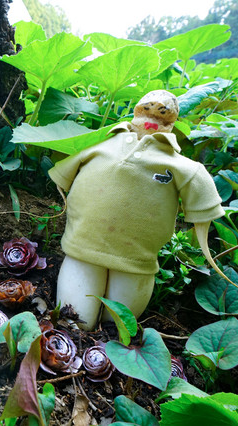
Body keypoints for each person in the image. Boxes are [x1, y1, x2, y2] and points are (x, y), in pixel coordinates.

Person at [49, 90, 224, 330]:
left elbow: (200, 188)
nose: (152, 118)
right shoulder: (102, 144)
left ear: (172, 122)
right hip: (83, 248)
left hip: (136, 260)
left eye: (162, 114)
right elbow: (64, 175)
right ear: (136, 111)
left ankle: (110, 339)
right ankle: (76, 335)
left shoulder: (180, 166)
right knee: (77, 320)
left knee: (118, 324)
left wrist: (204, 237)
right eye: (146, 109)